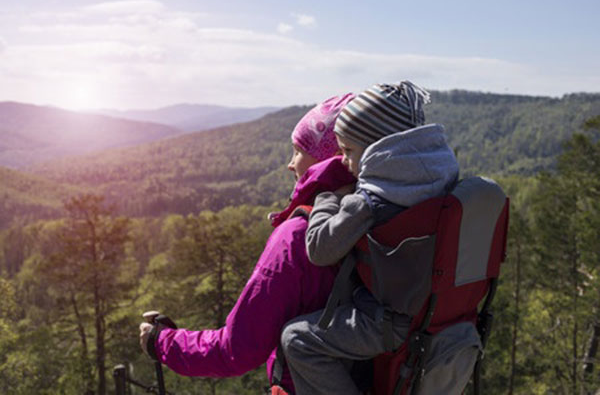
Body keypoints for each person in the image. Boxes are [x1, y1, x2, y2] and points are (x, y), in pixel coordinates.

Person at [138, 93, 356, 393]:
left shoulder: (297, 238)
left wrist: (162, 342)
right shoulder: (386, 216)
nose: (290, 164)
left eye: (297, 151)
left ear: (327, 158)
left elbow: (236, 350)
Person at [280, 81, 460, 395]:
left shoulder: (373, 198)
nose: (345, 161)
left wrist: (327, 199)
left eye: (348, 150)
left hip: (386, 321)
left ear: (378, 147)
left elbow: (320, 249)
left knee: (296, 339)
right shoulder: (437, 179)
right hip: (433, 310)